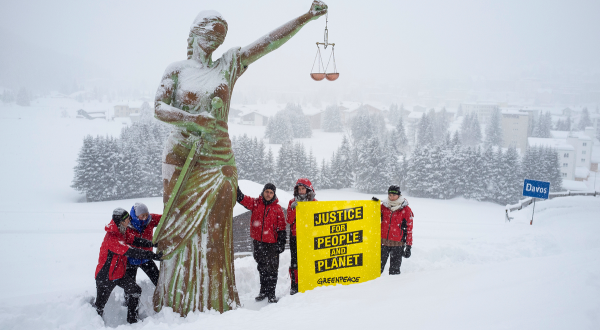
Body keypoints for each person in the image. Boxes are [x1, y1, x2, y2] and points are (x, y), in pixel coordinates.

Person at [152, 0, 327, 315]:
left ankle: (212, 297)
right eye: (211, 34)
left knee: (216, 229)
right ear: (194, 34)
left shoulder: (229, 64)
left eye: (221, 37)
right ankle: (177, 297)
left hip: (219, 157)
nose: (216, 41)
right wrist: (193, 121)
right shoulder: (176, 70)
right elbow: (159, 109)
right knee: (181, 225)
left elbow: (267, 43)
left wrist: (304, 18)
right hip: (182, 155)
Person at [94, 208, 163, 324]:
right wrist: (152, 255)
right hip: (105, 278)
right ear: (121, 222)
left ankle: (132, 320)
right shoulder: (112, 238)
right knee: (99, 306)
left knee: (135, 290)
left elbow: (135, 240)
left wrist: (152, 244)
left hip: (119, 275)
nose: (129, 220)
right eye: (126, 219)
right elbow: (132, 251)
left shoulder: (122, 232)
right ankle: (92, 324)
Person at [237, 183, 286, 303]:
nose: (268, 194)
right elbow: (242, 198)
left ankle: (271, 294)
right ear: (263, 192)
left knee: (272, 269)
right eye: (267, 192)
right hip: (258, 242)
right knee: (262, 267)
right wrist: (235, 188)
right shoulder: (255, 203)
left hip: (272, 243)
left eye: (271, 192)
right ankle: (263, 291)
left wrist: (281, 242)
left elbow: (282, 227)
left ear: (274, 194)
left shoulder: (278, 208)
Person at [286, 178, 317, 295]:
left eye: (303, 188)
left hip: (310, 237)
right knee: (295, 262)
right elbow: (289, 220)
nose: (301, 191)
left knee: (310, 260)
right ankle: (295, 285)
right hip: (296, 237)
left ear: (308, 189)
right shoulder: (291, 202)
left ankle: (310, 281)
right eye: (299, 189)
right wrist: (293, 209)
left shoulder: (315, 202)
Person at [375, 185, 413, 275]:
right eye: (389, 195)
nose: (391, 197)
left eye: (393, 195)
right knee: (376, 270)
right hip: (383, 243)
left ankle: (393, 288)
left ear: (399, 195)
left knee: (394, 272)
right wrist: (373, 205)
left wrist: (408, 246)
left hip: (397, 245)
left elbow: (409, 229)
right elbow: (371, 215)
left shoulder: (406, 209)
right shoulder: (383, 206)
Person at [125, 203, 162, 287]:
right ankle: (129, 300)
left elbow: (164, 218)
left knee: (159, 281)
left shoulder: (150, 219)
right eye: (142, 215)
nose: (145, 217)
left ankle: (163, 298)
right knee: (131, 288)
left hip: (146, 257)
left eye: (146, 214)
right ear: (136, 215)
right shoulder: (127, 224)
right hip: (131, 260)